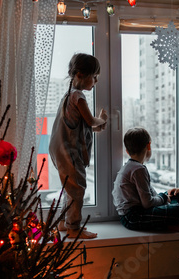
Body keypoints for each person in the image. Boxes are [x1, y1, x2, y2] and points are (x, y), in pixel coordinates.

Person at [49, 53, 108, 239]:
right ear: (81, 75)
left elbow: (81, 128)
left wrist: (98, 126)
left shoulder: (67, 96)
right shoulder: (78, 96)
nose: (96, 81)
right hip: (69, 153)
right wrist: (102, 119)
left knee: (69, 188)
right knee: (77, 189)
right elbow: (90, 121)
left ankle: (63, 223)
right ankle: (74, 228)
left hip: (60, 150)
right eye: (94, 76)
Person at [112, 127, 179, 233]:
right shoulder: (138, 169)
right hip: (133, 217)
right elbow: (148, 203)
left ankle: (176, 223)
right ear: (148, 145)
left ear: (127, 151)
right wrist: (164, 198)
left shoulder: (132, 166)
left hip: (135, 214)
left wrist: (165, 197)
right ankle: (176, 223)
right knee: (178, 211)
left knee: (174, 194)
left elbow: (150, 194)